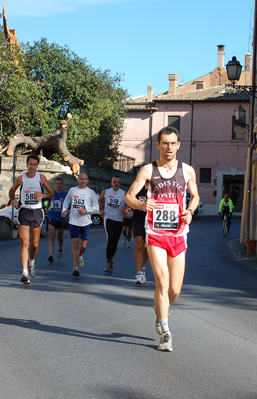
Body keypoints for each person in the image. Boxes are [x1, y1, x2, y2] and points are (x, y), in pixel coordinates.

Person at [125, 126, 199, 352]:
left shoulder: (187, 171)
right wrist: (141, 204)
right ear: (158, 145)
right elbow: (129, 196)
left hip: (178, 234)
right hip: (155, 233)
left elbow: (195, 196)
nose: (169, 147)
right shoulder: (148, 170)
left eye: (173, 143)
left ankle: (160, 311)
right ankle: (166, 333)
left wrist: (190, 211)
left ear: (178, 145)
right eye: (164, 143)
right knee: (162, 281)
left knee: (174, 290)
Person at [8, 154, 54, 284]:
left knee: (34, 244)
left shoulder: (41, 178)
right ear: (27, 165)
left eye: (34, 164)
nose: (32, 167)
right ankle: (24, 272)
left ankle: (32, 262)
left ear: (37, 166)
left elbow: (52, 193)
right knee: (25, 243)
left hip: (37, 212)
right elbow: (11, 191)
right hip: (24, 212)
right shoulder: (20, 179)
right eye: (30, 164)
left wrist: (43, 195)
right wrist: (12, 200)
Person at [61, 173, 99, 277]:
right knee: (75, 244)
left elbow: (96, 207)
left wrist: (86, 210)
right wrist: (64, 210)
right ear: (78, 180)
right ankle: (75, 268)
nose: (82, 181)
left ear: (88, 181)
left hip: (86, 222)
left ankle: (80, 255)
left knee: (84, 246)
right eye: (81, 179)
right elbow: (66, 202)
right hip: (74, 221)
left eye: (84, 179)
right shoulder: (72, 190)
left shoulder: (91, 192)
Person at [98, 176, 129, 273]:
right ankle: (108, 261)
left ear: (120, 184)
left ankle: (111, 262)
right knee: (110, 238)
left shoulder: (124, 193)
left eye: (118, 182)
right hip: (108, 218)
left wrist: (126, 209)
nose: (116, 184)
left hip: (119, 220)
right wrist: (101, 209)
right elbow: (100, 200)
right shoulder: (106, 192)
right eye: (114, 182)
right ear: (111, 182)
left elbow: (129, 204)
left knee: (115, 241)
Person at [131, 185, 149, 285]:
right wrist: (129, 207)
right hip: (137, 219)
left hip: (151, 220)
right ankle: (139, 273)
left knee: (146, 247)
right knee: (139, 245)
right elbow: (129, 198)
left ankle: (143, 268)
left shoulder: (156, 186)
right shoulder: (137, 186)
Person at [47, 177, 68, 263]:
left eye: (60, 184)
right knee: (51, 235)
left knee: (59, 237)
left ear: (62, 185)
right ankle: (50, 255)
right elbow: (47, 202)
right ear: (55, 184)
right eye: (57, 183)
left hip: (61, 218)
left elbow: (69, 206)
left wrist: (65, 206)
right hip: (52, 217)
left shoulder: (65, 195)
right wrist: (47, 208)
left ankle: (60, 248)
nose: (58, 185)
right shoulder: (52, 194)